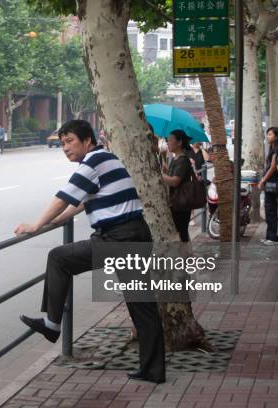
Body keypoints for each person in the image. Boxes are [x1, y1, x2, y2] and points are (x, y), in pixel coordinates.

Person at [15, 119, 165, 384]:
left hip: (119, 239)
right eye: (62, 143)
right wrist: (56, 220)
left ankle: (51, 325)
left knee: (59, 258)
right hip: (135, 235)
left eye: (70, 141)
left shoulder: (92, 162)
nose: (65, 148)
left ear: (87, 141)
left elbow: (64, 196)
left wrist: (36, 224)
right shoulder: (106, 157)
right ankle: (152, 370)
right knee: (142, 305)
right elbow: (80, 203)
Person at [161, 130, 194, 243]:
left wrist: (160, 175)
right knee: (181, 232)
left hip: (180, 203)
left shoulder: (183, 160)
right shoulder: (176, 159)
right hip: (176, 202)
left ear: (179, 142)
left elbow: (175, 181)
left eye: (170, 140)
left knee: (181, 232)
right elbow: (170, 173)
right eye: (167, 140)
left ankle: (185, 258)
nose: (168, 143)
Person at [258, 127, 278, 245]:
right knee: (269, 210)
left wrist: (263, 180)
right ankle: (270, 236)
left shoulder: (277, 149)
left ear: (276, 136)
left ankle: (274, 238)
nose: (267, 136)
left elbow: (273, 167)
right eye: (267, 134)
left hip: (273, 183)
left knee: (271, 209)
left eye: (270, 134)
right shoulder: (272, 148)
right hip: (270, 183)